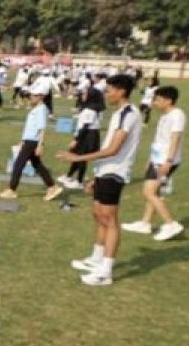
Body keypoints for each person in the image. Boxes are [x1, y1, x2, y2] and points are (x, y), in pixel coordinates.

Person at [57, 74, 142, 287]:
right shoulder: (118, 114)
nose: (107, 94)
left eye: (110, 90)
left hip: (116, 172)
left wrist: (78, 158)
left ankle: (106, 270)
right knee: (98, 214)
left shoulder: (129, 114)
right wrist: (96, 175)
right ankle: (96, 258)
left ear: (121, 91)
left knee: (110, 219)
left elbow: (113, 149)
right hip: (106, 171)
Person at [122, 86, 185, 241]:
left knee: (148, 192)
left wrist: (168, 161)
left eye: (157, 99)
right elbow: (159, 140)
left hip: (165, 161)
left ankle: (171, 224)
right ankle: (145, 223)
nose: (154, 102)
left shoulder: (177, 115)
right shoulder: (165, 115)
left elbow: (174, 139)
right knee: (154, 193)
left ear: (168, 100)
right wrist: (150, 159)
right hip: (157, 159)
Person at [0, 81, 64, 201]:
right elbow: (30, 128)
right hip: (29, 141)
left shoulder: (41, 109)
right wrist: (23, 141)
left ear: (41, 96)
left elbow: (42, 129)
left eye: (33, 96)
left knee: (18, 164)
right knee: (37, 165)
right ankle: (52, 187)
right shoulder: (37, 108)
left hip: (33, 142)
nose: (30, 98)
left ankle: (12, 190)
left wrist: (40, 145)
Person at [59, 88, 104, 189]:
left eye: (85, 94)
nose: (82, 96)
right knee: (76, 156)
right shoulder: (89, 107)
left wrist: (76, 139)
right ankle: (69, 176)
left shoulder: (90, 109)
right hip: (85, 134)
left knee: (82, 158)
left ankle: (79, 181)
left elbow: (85, 126)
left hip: (88, 135)